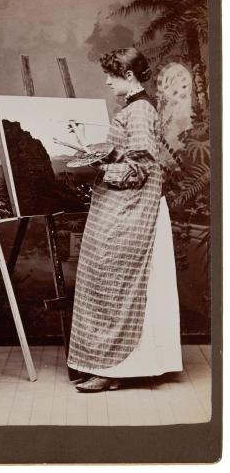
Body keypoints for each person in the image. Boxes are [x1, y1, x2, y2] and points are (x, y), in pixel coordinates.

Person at [66, 48, 183, 392]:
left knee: (113, 283)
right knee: (103, 281)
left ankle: (115, 368)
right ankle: (103, 363)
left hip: (133, 211)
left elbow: (140, 169)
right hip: (121, 207)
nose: (106, 81)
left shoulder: (141, 111)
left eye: (111, 75)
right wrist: (92, 148)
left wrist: (98, 163)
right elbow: (130, 156)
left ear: (128, 76)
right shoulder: (132, 108)